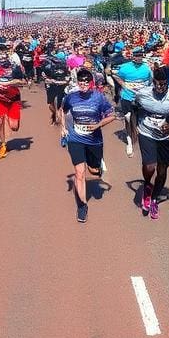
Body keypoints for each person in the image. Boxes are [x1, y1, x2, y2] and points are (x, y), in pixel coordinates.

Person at [133, 65, 169, 221]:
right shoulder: (143, 94)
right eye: (156, 83)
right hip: (146, 133)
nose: (159, 86)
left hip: (165, 137)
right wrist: (134, 127)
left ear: (167, 83)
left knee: (162, 172)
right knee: (150, 167)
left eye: (163, 83)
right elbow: (134, 108)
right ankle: (147, 186)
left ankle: (155, 199)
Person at [61, 68, 115, 223]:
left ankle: (98, 165)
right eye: (80, 81)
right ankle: (82, 206)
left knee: (94, 170)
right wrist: (63, 127)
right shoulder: (71, 97)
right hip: (75, 138)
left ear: (91, 83)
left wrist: (98, 124)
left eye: (86, 81)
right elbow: (62, 111)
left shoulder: (99, 98)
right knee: (79, 172)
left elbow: (111, 115)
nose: (83, 84)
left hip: (94, 140)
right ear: (77, 82)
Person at [0, 44, 25, 160]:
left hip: (13, 99)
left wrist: (9, 83)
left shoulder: (15, 67)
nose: (2, 54)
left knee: (14, 127)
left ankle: (9, 117)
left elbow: (23, 82)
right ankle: (3, 145)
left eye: (4, 52)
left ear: (8, 53)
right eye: (0, 52)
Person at [114, 47, 154, 157]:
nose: (138, 58)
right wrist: (123, 84)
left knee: (143, 119)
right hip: (127, 97)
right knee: (127, 119)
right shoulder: (125, 68)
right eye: (136, 55)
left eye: (140, 55)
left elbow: (151, 81)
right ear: (133, 56)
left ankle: (145, 140)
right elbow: (115, 75)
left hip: (142, 98)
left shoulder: (147, 68)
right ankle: (129, 142)